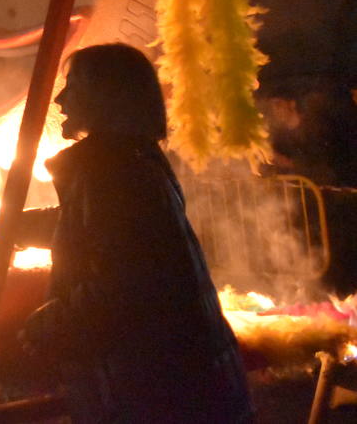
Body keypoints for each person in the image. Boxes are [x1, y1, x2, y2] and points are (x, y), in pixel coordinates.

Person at [19, 44, 254, 423]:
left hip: (160, 390)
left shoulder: (111, 170)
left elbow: (122, 285)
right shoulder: (135, 158)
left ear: (105, 96)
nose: (61, 99)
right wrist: (22, 226)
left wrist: (46, 325)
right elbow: (104, 229)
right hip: (192, 380)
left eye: (73, 86)